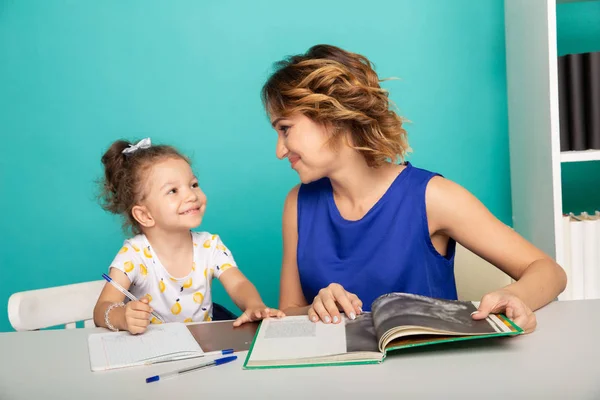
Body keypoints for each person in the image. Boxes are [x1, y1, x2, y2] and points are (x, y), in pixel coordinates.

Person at [261, 44, 566, 333]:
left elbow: (549, 271)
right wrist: (316, 307)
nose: (279, 150)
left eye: (285, 129)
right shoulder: (297, 204)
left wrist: (514, 296)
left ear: (331, 116)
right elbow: (287, 312)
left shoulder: (433, 196)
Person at [93, 138, 283, 334]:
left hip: (203, 350)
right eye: (173, 191)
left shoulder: (210, 246)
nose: (192, 195)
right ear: (145, 215)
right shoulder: (134, 255)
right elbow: (101, 309)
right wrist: (122, 317)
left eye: (193, 184)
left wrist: (254, 305)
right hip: (153, 354)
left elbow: (238, 283)